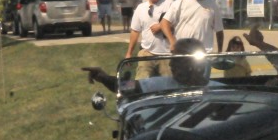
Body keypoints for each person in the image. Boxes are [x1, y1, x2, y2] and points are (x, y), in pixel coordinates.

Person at [83, 38, 220, 94]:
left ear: (194, 64)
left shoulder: (218, 91)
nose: (171, 64)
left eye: (178, 60)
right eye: (172, 58)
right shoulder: (162, 84)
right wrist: (103, 77)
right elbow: (127, 86)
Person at [160, 0, 224, 54]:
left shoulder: (213, 5)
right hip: (182, 51)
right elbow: (164, 23)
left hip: (203, 53)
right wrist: (172, 41)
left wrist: (220, 52)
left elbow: (219, 31)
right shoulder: (181, 1)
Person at [125, 0, 172, 79]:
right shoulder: (140, 8)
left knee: (170, 87)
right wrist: (129, 53)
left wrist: (161, 26)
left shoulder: (170, 5)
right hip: (146, 53)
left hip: (166, 54)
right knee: (141, 85)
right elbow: (135, 31)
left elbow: (177, 22)